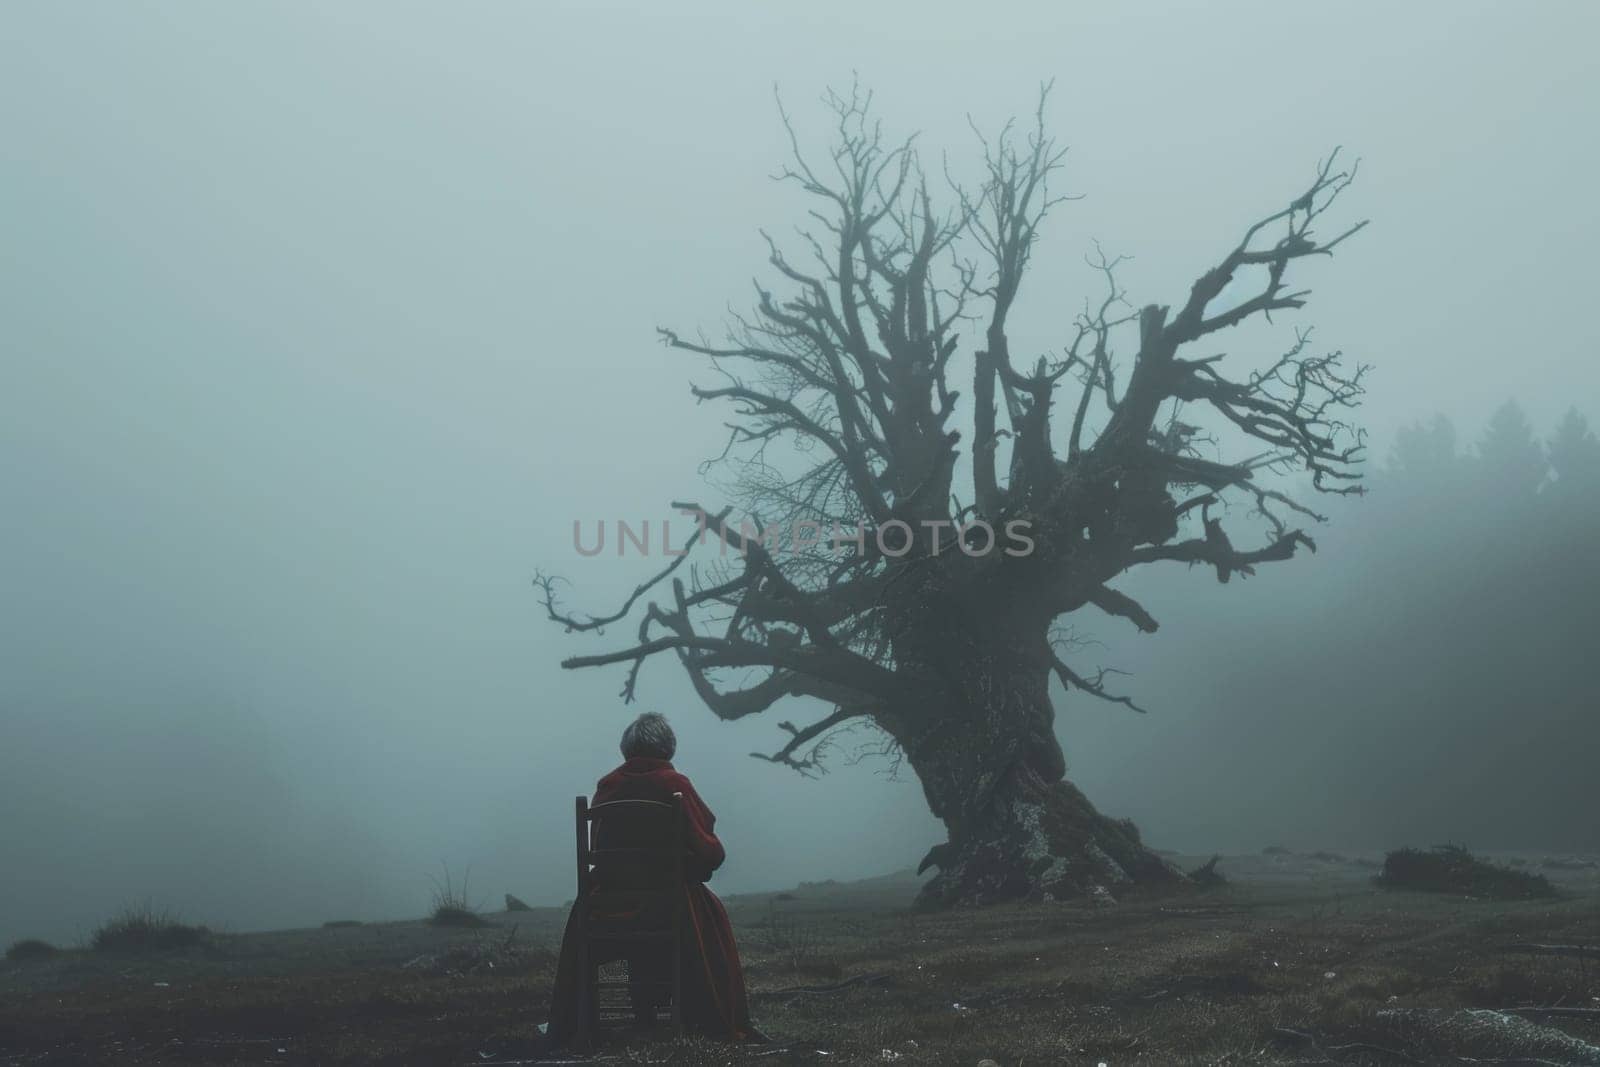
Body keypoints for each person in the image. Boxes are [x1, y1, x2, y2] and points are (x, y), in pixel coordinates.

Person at [542, 712, 756, 1047]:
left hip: (608, 905)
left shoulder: (606, 785)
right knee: (710, 913)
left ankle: (586, 1022)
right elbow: (708, 851)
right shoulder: (675, 785)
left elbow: (599, 848)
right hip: (666, 903)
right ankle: (708, 1018)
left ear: (627, 749)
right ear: (667, 748)